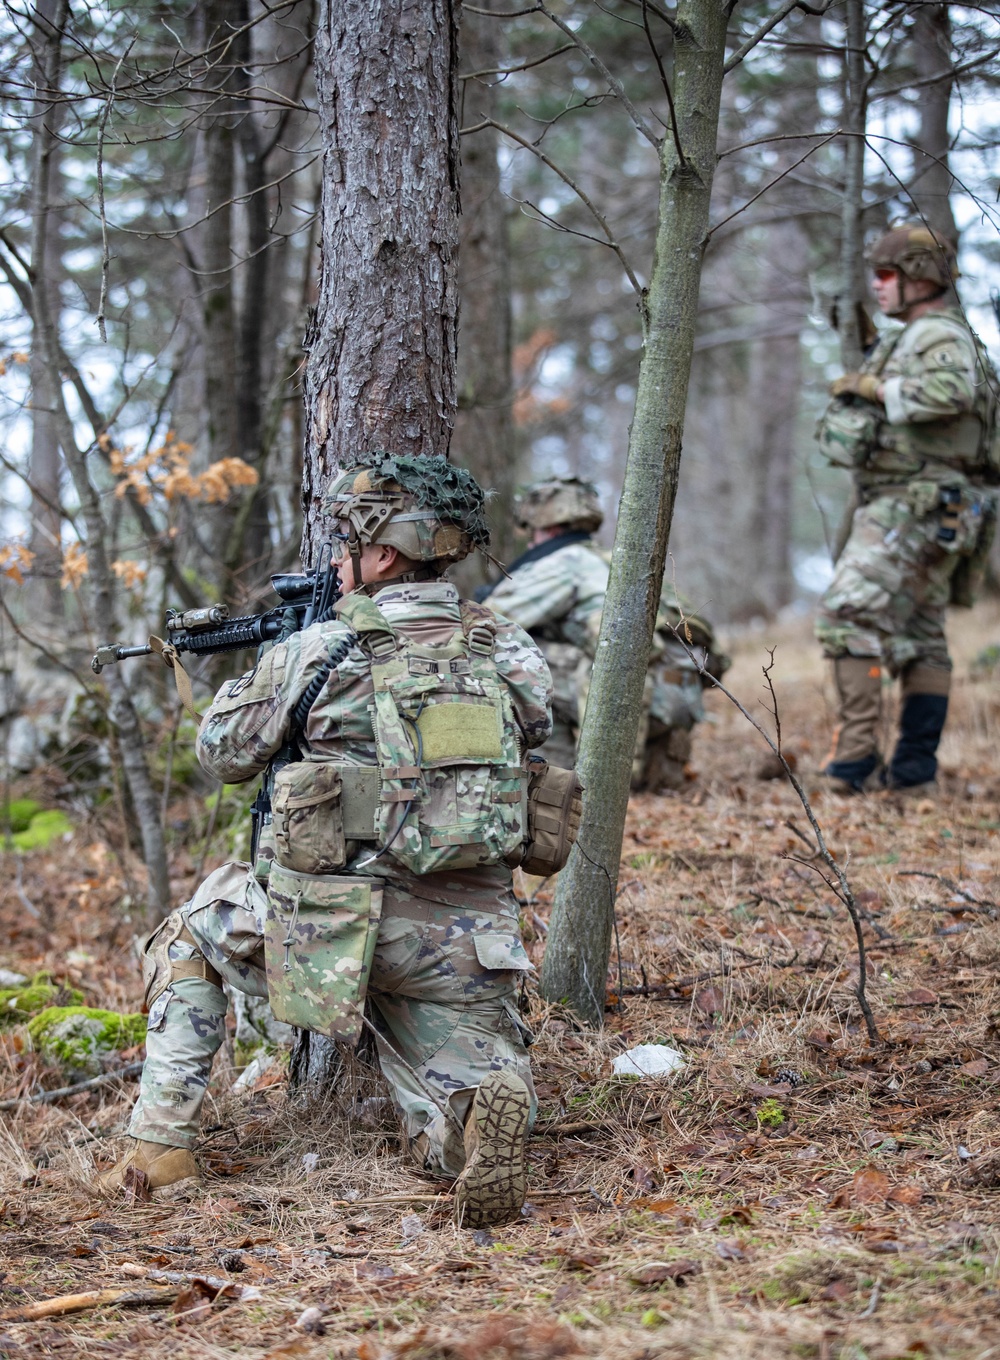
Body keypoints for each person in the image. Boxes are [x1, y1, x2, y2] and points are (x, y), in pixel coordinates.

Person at [98, 453, 554, 1229]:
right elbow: (531, 730)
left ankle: (158, 1149)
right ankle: (471, 1120)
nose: (339, 561)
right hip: (469, 943)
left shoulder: (325, 648)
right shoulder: (507, 649)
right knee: (450, 1109)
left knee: (190, 930)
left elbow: (222, 754)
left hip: (331, 938)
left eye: (348, 544)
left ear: (385, 554)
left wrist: (265, 677)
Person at [815, 224, 998, 794]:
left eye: (887, 274)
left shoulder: (937, 333)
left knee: (847, 617)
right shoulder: (923, 335)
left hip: (914, 505)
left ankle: (853, 765)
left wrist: (873, 389)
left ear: (920, 277)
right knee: (920, 638)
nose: (877, 285)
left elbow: (950, 392)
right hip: (934, 507)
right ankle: (914, 773)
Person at [482, 477, 726, 791]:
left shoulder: (565, 561)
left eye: (533, 533)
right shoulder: (619, 561)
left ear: (550, 529)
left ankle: (553, 776)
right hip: (681, 701)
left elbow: (488, 618)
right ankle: (659, 770)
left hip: (636, 699)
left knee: (513, 657)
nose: (531, 542)